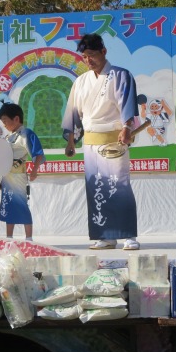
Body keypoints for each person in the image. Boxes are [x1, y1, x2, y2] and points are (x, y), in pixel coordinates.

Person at [62, 33, 140, 251]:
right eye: (84, 57)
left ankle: (128, 235)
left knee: (118, 185)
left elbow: (127, 107)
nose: (88, 61)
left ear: (103, 52)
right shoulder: (80, 82)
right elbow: (73, 113)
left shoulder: (120, 75)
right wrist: (71, 140)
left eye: (92, 55)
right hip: (90, 143)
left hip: (114, 140)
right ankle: (105, 236)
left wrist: (126, 128)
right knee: (96, 188)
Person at [0, 102, 45, 241]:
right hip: (7, 177)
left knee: (22, 205)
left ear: (16, 119)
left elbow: (38, 153)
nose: (4, 125)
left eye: (5, 121)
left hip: (18, 177)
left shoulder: (26, 134)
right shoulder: (9, 137)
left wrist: (34, 170)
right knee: (8, 206)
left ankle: (29, 238)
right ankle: (9, 238)